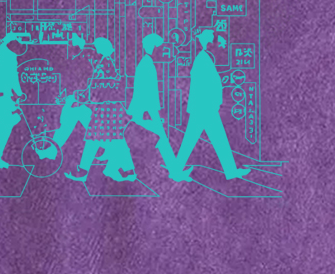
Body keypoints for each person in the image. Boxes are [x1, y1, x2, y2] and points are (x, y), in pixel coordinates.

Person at [176, 29, 251, 179]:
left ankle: (177, 171)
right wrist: (214, 101)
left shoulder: (204, 58)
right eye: (211, 39)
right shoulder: (202, 59)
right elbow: (205, 86)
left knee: (201, 140)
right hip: (204, 107)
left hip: (203, 107)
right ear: (206, 42)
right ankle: (230, 171)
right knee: (211, 139)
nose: (214, 42)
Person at [64, 36, 136, 182]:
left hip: (106, 109)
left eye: (95, 49)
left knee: (102, 140)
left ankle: (84, 172)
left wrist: (78, 98)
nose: (94, 51)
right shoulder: (107, 63)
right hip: (110, 108)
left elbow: (97, 89)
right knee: (106, 140)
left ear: (100, 50)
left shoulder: (104, 66)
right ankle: (128, 171)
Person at [127, 32, 193, 182]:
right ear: (151, 47)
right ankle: (175, 171)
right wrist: (144, 113)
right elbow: (142, 90)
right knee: (159, 135)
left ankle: (175, 170)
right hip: (148, 106)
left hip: (148, 106)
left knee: (160, 136)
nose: (160, 50)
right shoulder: (146, 63)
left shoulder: (146, 62)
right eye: (157, 46)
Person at [0, 32, 27, 168]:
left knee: (15, 118)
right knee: (8, 123)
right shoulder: (10, 59)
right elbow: (13, 80)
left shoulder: (3, 53)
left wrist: (15, 96)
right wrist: (19, 94)